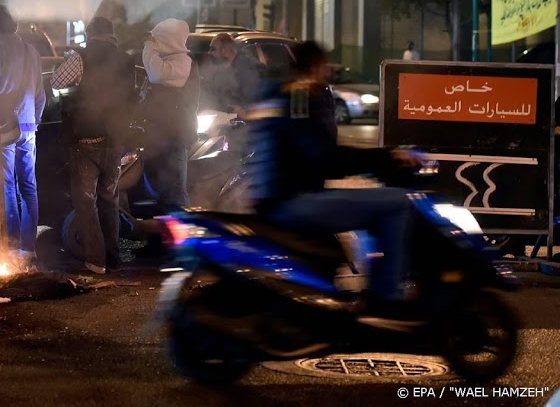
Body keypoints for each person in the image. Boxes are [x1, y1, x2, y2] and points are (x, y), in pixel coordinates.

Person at [244, 40, 423, 315]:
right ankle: (389, 296)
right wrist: (387, 158)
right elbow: (324, 157)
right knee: (396, 203)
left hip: (273, 195)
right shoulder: (299, 96)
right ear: (316, 67)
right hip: (292, 200)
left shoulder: (275, 92)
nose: (327, 75)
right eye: (325, 68)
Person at [51, 16, 137, 274]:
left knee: (86, 202)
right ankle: (112, 257)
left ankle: (96, 260)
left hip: (87, 141)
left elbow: (56, 82)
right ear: (111, 35)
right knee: (110, 200)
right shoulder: (127, 59)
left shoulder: (81, 57)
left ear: (90, 35)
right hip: (115, 141)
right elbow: (134, 95)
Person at [0, 5, 46, 259]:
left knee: (7, 185)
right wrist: (35, 121)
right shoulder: (32, 53)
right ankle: (28, 249)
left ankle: (12, 246)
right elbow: (40, 94)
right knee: (29, 186)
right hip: (29, 126)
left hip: (3, 127)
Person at [141, 18, 200, 208]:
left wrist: (149, 47)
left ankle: (181, 232)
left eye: (158, 38)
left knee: (175, 191)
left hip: (176, 135)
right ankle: (164, 232)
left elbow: (156, 73)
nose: (155, 41)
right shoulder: (171, 60)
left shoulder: (183, 61)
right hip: (163, 134)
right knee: (163, 189)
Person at [202, 33, 262, 118]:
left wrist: (240, 109)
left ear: (225, 50)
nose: (210, 53)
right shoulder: (224, 68)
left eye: (213, 49)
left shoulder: (246, 68)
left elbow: (251, 98)